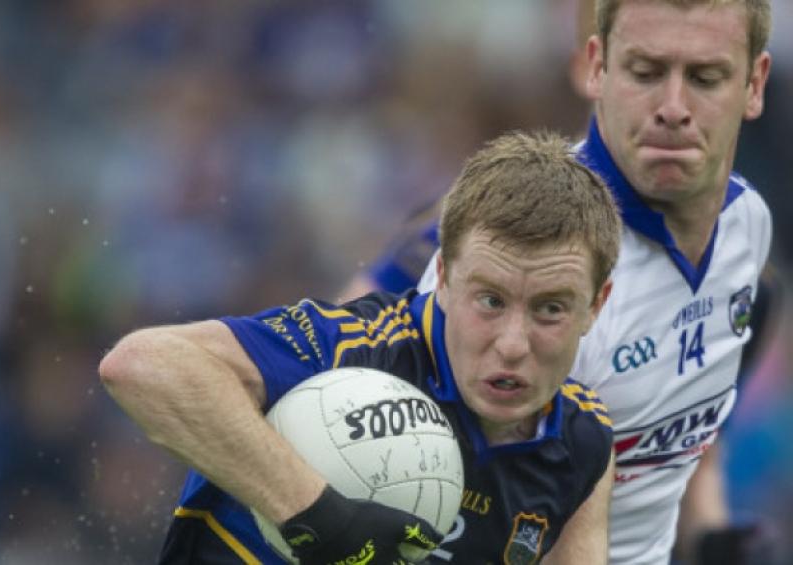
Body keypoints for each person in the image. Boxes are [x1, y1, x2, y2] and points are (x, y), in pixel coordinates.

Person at [345, 1, 776, 564]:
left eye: (705, 77)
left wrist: (712, 536)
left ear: (754, 83)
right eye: (646, 72)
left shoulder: (748, 229)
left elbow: (681, 430)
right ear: (595, 66)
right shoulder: (524, 256)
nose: (674, 108)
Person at [99, 130, 623, 564]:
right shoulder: (354, 347)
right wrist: (319, 515)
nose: (512, 344)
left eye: (550, 309)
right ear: (440, 276)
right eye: (489, 300)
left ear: (596, 305)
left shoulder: (583, 442)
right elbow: (141, 366)